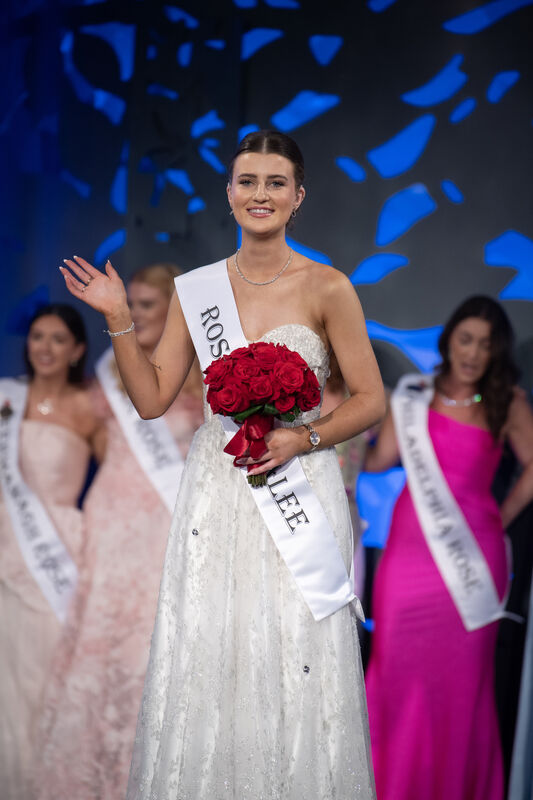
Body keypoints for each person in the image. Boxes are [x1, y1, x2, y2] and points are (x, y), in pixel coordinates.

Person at [59, 129, 385, 798]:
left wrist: (306, 437)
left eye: (273, 183)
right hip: (218, 489)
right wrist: (120, 317)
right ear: (228, 193)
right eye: (246, 181)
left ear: (297, 198)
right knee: (213, 645)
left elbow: (372, 399)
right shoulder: (196, 290)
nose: (258, 194)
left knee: (289, 649)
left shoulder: (328, 288)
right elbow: (150, 399)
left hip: (295, 477)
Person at [34, 264, 204, 800]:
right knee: (99, 644)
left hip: (167, 528)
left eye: (150, 304)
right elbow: (79, 436)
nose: (137, 312)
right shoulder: (107, 375)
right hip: (111, 523)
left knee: (146, 649)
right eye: (135, 302)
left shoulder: (198, 375)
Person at [364, 296, 533, 800]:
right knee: (395, 671)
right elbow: (380, 461)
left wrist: (498, 520)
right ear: (449, 339)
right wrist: (341, 430)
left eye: (485, 344)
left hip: (472, 557)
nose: (474, 353)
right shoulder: (415, 395)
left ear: (496, 351)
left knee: (461, 689)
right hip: (408, 556)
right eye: (466, 339)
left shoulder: (507, 402)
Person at [0, 304, 103, 800]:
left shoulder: (89, 407)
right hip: (3, 543)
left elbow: (120, 479)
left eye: (58, 339)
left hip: (55, 552)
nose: (44, 347)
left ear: (78, 349)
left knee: (42, 677)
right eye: (38, 336)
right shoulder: (5, 396)